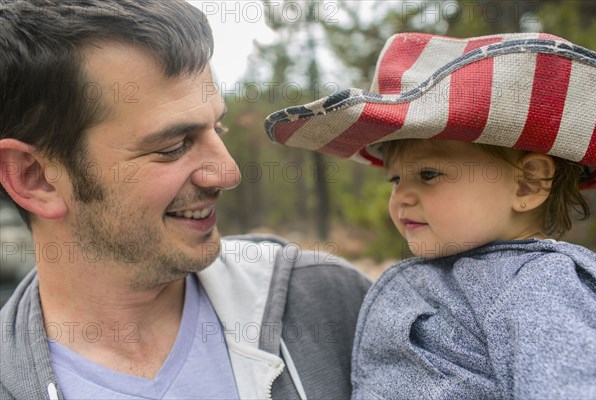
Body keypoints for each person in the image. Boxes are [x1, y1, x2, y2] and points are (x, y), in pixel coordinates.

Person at [0, 1, 371, 399]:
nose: (228, 173)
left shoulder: (329, 303)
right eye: (174, 146)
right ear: (35, 178)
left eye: (219, 126)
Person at [265, 32, 596, 399]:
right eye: (395, 179)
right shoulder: (441, 272)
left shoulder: (539, 286)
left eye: (428, 175)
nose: (401, 196)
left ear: (527, 184)